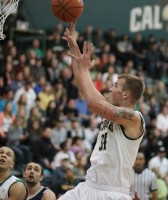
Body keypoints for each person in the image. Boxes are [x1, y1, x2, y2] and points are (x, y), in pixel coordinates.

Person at [59, 21, 145, 200]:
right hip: (89, 184)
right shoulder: (110, 109)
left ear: (126, 94)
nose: (111, 89)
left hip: (112, 192)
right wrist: (73, 47)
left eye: (115, 86)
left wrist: (84, 69)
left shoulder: (134, 118)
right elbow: (85, 89)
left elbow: (91, 101)